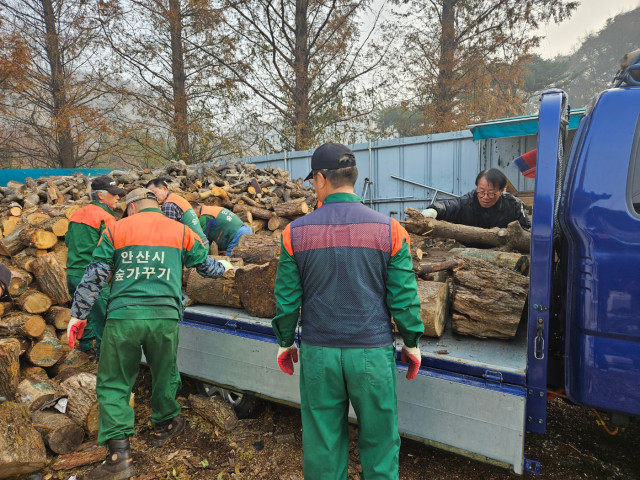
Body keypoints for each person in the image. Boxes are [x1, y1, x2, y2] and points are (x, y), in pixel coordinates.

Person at [272, 142, 424, 479]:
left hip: (319, 354)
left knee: (323, 446)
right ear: (353, 177)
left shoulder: (293, 233)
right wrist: (411, 342)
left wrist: (285, 342)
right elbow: (403, 299)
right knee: (381, 444)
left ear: (322, 179)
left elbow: (286, 300)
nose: (313, 186)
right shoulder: (391, 231)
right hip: (372, 353)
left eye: (313, 180)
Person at [66, 188, 233, 480]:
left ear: (131, 208)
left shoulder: (116, 229)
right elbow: (204, 266)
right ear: (155, 205)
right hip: (165, 317)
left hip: (123, 317)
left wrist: (77, 316)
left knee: (115, 381)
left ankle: (119, 456)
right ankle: (166, 423)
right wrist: (225, 268)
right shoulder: (181, 231)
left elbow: (94, 276)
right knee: (165, 370)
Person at [65, 175, 125, 360]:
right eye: (114, 195)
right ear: (100, 195)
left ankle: (85, 350)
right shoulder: (106, 218)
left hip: (73, 274)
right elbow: (112, 249)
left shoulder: (76, 214)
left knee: (84, 313)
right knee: (103, 319)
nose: (118, 198)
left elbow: (68, 241)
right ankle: (103, 359)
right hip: (93, 278)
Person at [422, 168, 531, 230]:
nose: (485, 197)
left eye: (491, 193)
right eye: (481, 191)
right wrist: (433, 210)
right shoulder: (467, 202)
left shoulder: (514, 205)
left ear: (502, 191)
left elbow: (526, 230)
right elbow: (450, 206)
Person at [145, 178, 209, 246]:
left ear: (164, 189)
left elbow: (168, 234)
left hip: (196, 247)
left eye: (154, 193)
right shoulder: (175, 198)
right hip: (201, 243)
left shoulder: (169, 205)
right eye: (151, 195)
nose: (153, 197)